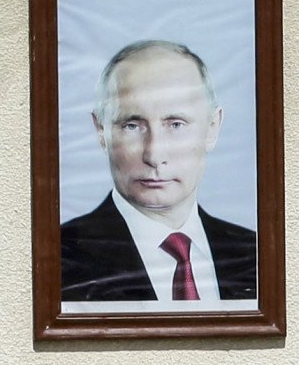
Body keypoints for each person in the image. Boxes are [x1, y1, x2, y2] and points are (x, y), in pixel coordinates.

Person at [61, 40, 257, 303]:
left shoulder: (255, 255)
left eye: (176, 124)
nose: (154, 155)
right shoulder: (59, 257)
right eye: (132, 125)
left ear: (212, 128)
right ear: (101, 131)